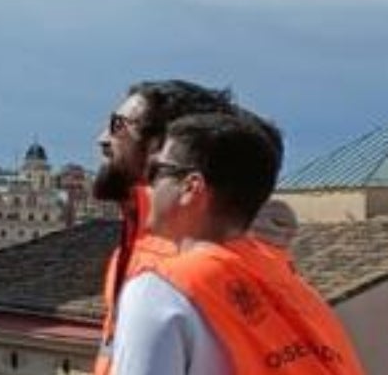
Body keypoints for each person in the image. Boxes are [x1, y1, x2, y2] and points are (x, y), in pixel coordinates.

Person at [108, 110, 358, 375]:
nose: (146, 185)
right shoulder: (302, 295)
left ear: (191, 187)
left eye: (156, 171)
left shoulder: (160, 291)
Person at [94, 81, 239, 375]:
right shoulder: (141, 245)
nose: (102, 139)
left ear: (162, 146)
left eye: (118, 125)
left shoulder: (172, 266)